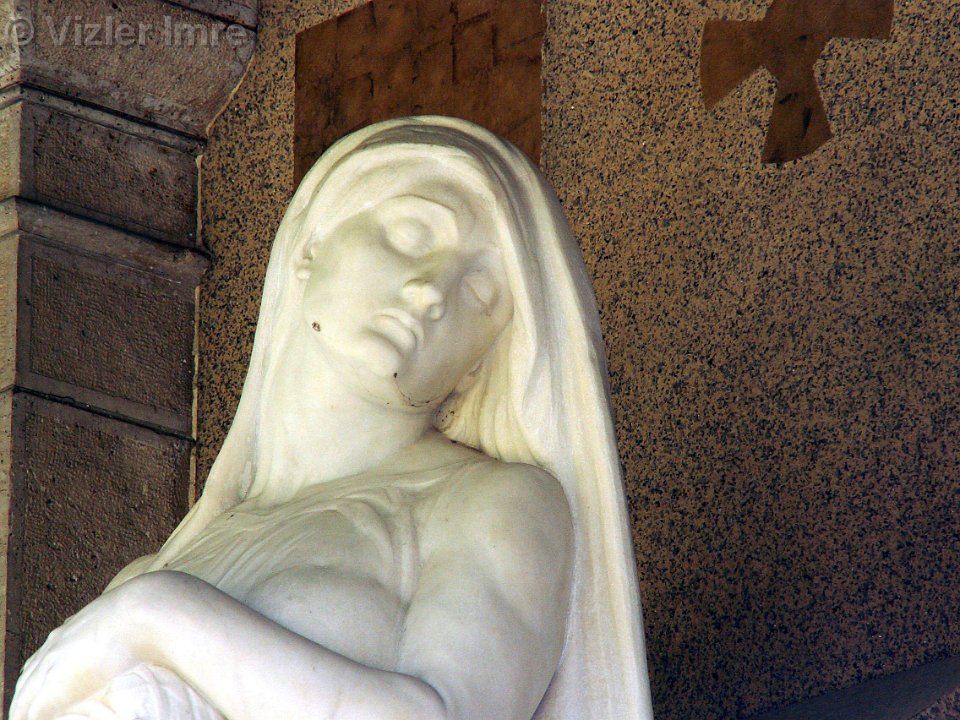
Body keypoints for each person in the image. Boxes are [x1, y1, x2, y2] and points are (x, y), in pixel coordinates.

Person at [11, 117, 654, 720]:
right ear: (313, 244)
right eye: (413, 235)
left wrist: (153, 620)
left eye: (481, 293)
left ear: (476, 369)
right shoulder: (153, 572)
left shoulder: (493, 504)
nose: (433, 291)